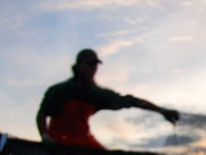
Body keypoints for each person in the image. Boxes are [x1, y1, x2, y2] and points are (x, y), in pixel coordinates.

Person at [36, 48, 179, 149]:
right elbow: (41, 115)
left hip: (84, 143)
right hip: (59, 143)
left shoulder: (98, 95)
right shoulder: (59, 91)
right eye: (89, 64)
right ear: (78, 66)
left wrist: (162, 111)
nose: (93, 69)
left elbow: (132, 102)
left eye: (95, 65)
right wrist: (45, 136)